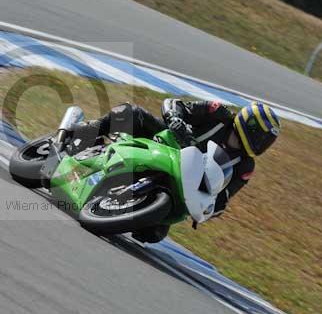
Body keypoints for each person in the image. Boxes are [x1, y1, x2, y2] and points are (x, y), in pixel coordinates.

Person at [70, 99, 281, 243]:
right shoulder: (218, 114)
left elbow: (225, 194)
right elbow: (174, 104)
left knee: (153, 234)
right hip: (164, 142)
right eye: (262, 137)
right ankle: (87, 132)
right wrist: (175, 118)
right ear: (249, 126)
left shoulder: (245, 166)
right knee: (131, 113)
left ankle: (115, 203)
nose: (263, 144)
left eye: (267, 141)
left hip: (182, 184)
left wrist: (212, 208)